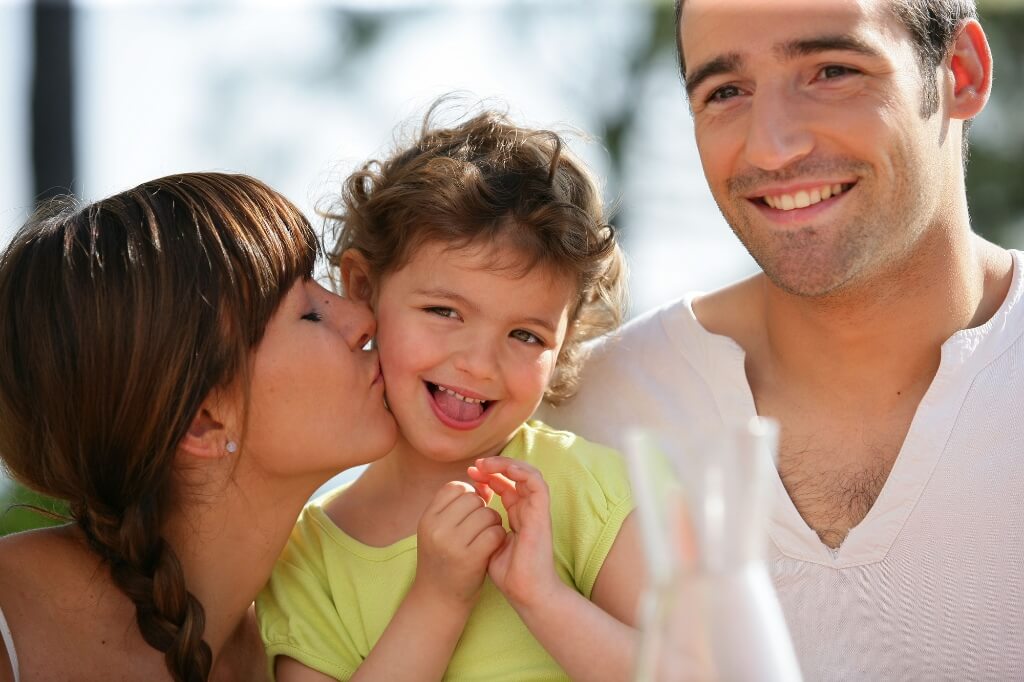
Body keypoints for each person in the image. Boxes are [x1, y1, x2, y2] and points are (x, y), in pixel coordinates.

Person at [541, 0, 1024, 678]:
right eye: (726, 91)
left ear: (962, 74)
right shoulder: (573, 422)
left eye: (832, 70)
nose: (773, 146)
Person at [256, 105, 643, 681]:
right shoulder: (309, 556)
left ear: (560, 348)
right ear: (365, 289)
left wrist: (543, 598)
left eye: (525, 335)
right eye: (444, 311)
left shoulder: (582, 487)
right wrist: (437, 600)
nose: (479, 363)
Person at [0, 172, 397, 682]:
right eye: (309, 315)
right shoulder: (11, 618)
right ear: (203, 423)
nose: (364, 317)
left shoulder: (322, 640)